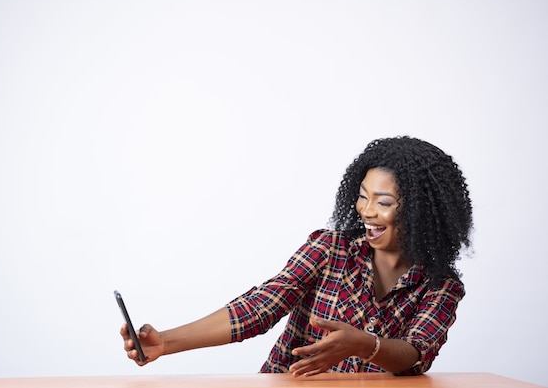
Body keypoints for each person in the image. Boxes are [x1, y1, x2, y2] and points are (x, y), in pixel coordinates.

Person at [120, 136, 473, 376]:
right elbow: (259, 307)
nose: (366, 211)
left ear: (423, 212)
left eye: (382, 203)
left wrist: (366, 346)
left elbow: (415, 355)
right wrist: (166, 342)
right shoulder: (330, 249)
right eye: (362, 196)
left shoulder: (441, 286)